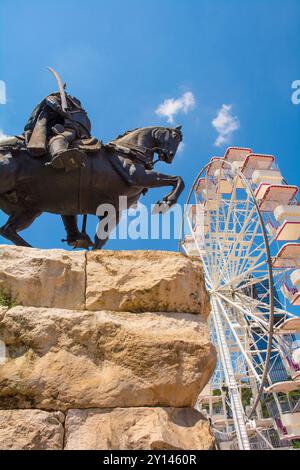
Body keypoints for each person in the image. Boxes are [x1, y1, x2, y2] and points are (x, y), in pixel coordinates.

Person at [24, 91, 92, 171]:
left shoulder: (77, 109)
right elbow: (50, 100)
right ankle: (59, 154)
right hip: (65, 128)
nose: (74, 99)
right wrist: (61, 111)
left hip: (80, 131)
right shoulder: (56, 98)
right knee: (63, 137)